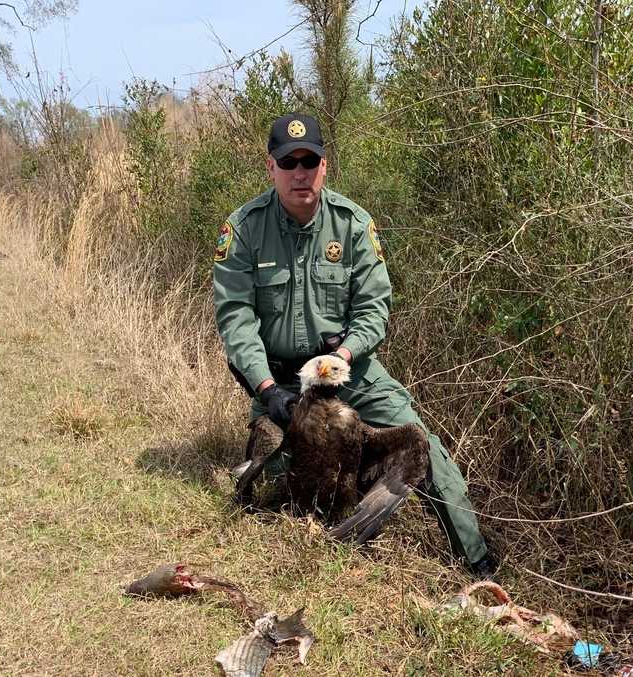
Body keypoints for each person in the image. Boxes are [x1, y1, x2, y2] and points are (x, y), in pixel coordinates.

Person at [212, 112, 496, 577]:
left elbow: (374, 309)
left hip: (349, 370)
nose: (300, 172)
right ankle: (316, 535)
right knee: (270, 485)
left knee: (424, 448)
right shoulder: (243, 230)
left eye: (310, 161)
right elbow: (236, 320)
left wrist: (342, 355)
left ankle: (479, 565)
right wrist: (267, 391)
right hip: (281, 380)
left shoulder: (353, 225)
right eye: (289, 163)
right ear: (271, 168)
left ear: (325, 166)